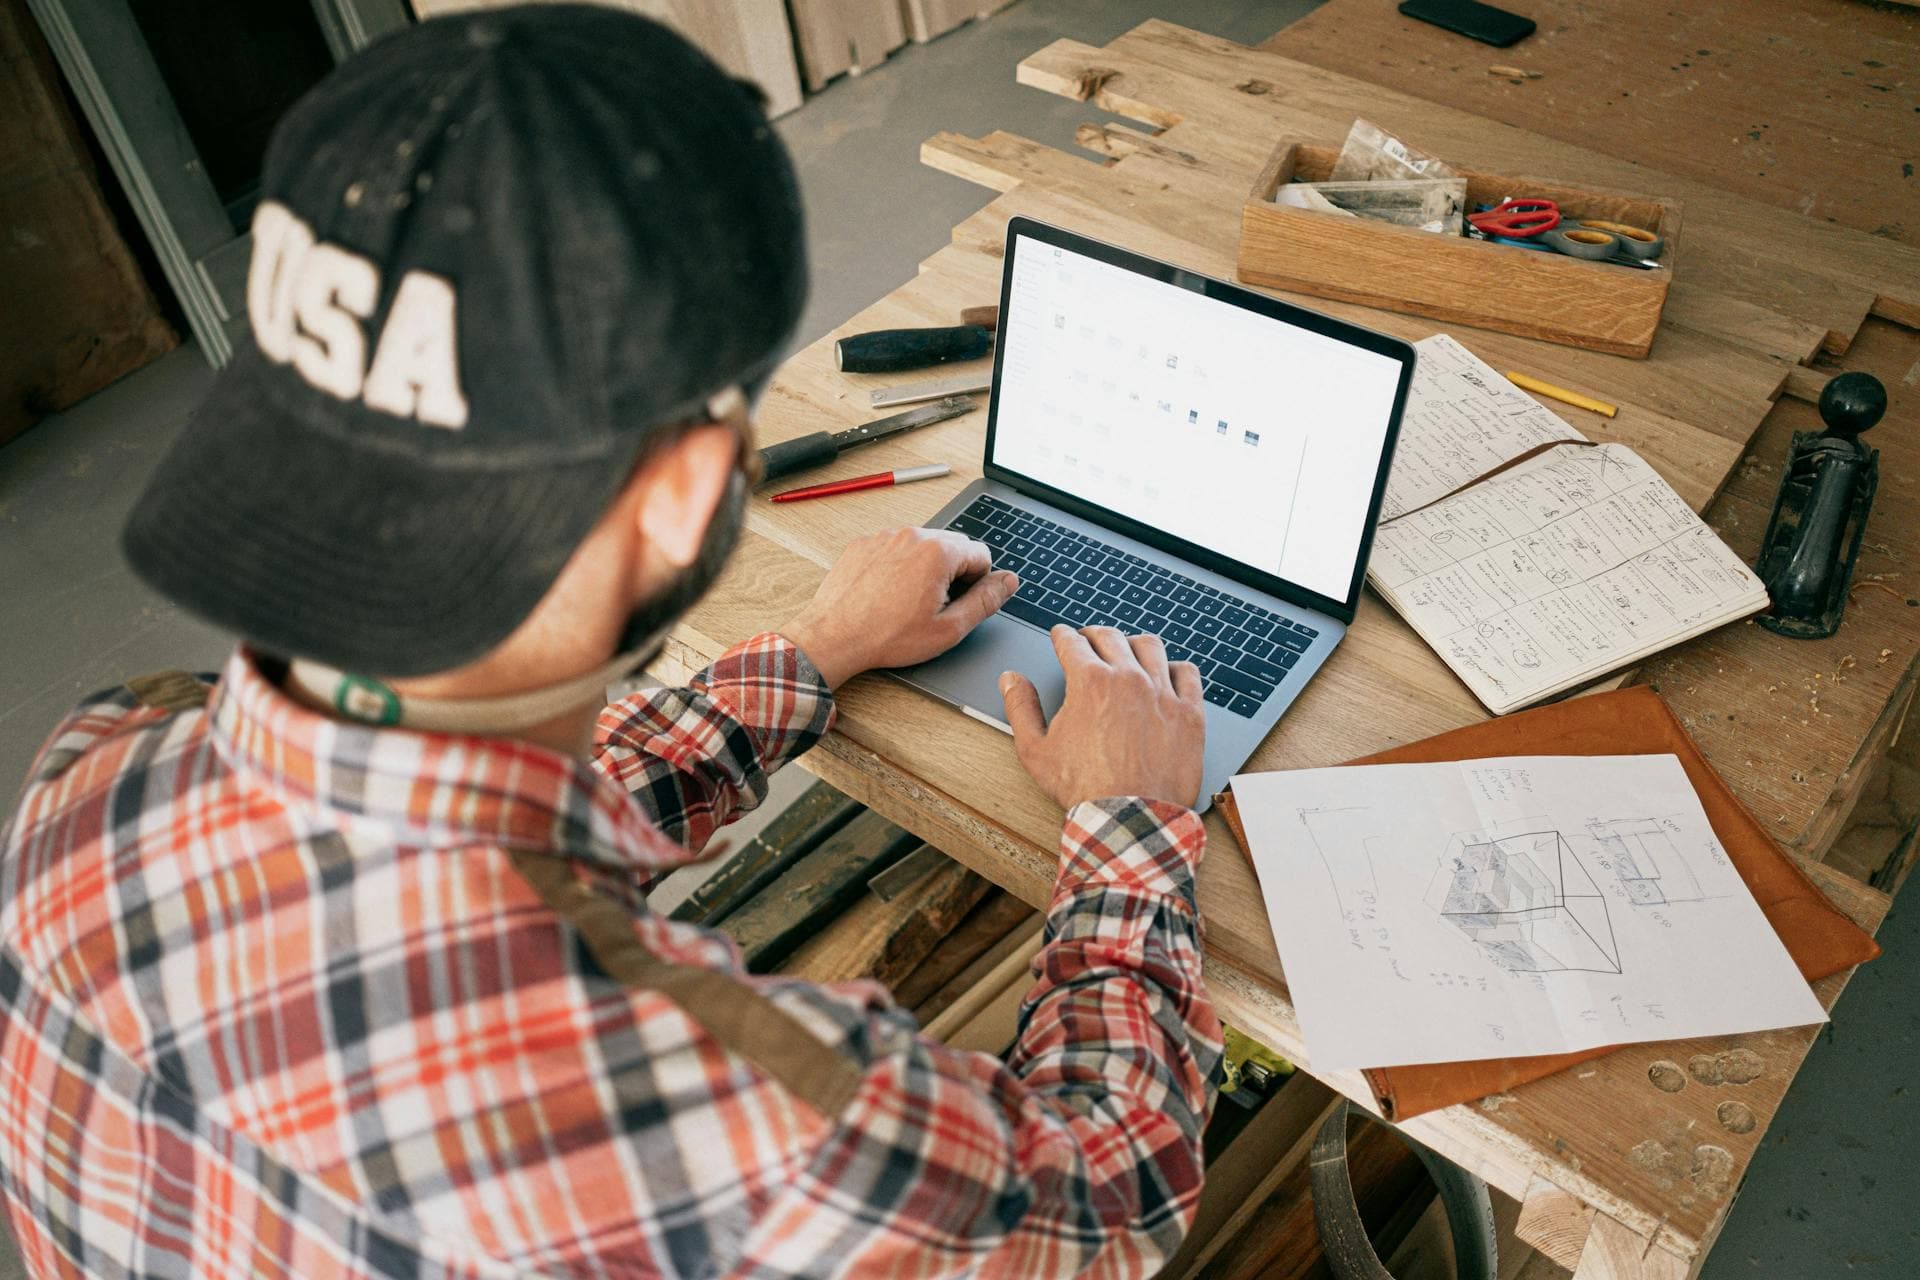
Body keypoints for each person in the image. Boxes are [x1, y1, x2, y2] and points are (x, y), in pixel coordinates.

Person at [0, 8, 1219, 1277]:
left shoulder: (92, 766)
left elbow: (454, 822)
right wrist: (1126, 826)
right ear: (693, 492)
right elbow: (1104, 1196)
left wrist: (811, 650)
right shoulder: (727, 1115)